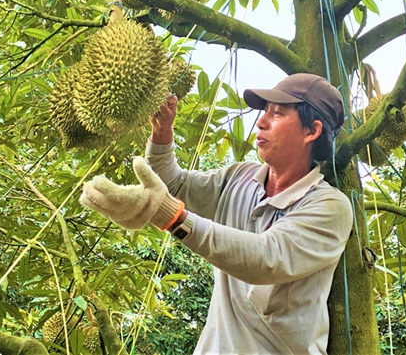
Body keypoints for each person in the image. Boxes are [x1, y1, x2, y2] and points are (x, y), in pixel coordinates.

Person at [80, 73, 354, 354]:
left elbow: (266, 258)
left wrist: (173, 217)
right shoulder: (240, 178)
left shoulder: (329, 207)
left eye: (278, 113)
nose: (260, 122)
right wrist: (162, 133)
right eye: (264, 112)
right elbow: (174, 186)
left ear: (312, 131)